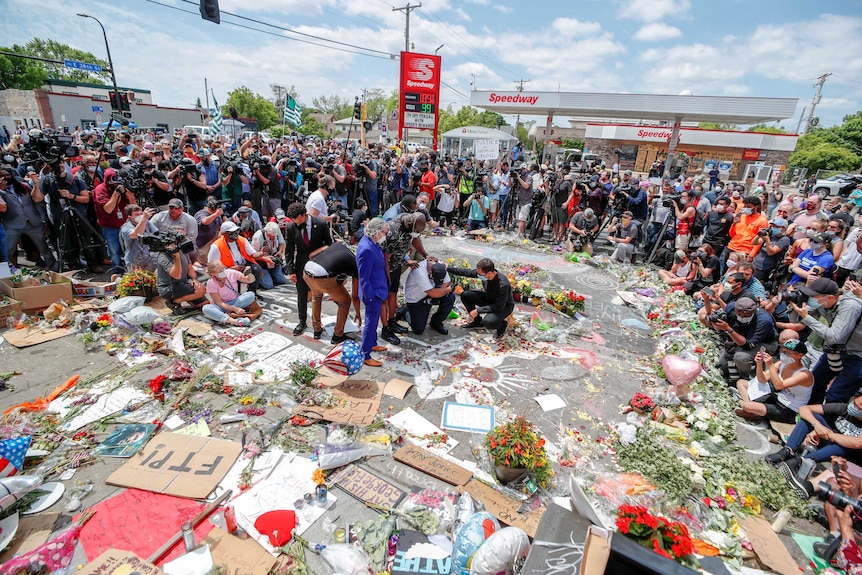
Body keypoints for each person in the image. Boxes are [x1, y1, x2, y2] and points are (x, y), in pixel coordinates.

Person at [768, 394, 862, 499]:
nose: (854, 408)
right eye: (854, 403)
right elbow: (804, 409)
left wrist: (829, 434)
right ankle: (788, 450)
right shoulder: (843, 408)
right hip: (829, 440)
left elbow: (857, 443)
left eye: (859, 408)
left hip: (845, 452)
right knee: (812, 417)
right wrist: (817, 426)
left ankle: (800, 461)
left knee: (845, 446)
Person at [790, 277, 862, 403]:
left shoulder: (851, 306)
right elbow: (797, 320)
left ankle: (824, 421)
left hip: (856, 356)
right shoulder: (825, 302)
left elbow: (834, 337)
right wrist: (796, 305)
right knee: (815, 382)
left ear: (829, 297)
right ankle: (807, 415)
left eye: (813, 296)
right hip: (836, 351)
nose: (811, 299)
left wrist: (806, 317)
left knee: (835, 396)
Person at [734, 338, 813, 424]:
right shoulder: (781, 364)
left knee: (748, 406)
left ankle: (750, 408)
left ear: (800, 355)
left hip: (790, 410)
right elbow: (762, 380)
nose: (783, 355)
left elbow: (779, 386)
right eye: (782, 351)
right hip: (778, 398)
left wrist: (771, 366)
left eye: (787, 353)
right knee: (741, 383)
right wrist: (759, 364)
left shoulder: (804, 375)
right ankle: (751, 408)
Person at [283, 202, 332, 335]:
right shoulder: (291, 227)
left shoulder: (320, 224)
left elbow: (329, 244)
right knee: (302, 295)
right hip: (301, 265)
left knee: (317, 295)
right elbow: (289, 250)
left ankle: (317, 324)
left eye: (299, 221)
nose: (297, 225)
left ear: (305, 215)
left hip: (318, 264)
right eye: (295, 222)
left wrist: (315, 254)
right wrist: (291, 271)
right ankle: (302, 321)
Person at [304, 242, 362, 344]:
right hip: (323, 277)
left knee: (317, 297)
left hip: (307, 270)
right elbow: (355, 296)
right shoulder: (355, 264)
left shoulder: (337, 245)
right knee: (345, 301)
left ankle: (317, 330)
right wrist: (358, 313)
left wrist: (323, 249)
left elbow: (311, 256)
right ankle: (337, 335)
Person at [710, 296, 779, 383]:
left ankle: (745, 378)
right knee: (723, 364)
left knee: (740, 357)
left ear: (754, 311)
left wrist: (728, 329)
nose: (742, 316)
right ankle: (735, 374)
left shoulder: (763, 320)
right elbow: (719, 329)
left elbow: (748, 345)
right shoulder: (731, 308)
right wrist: (716, 323)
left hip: (765, 342)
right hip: (741, 337)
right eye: (739, 314)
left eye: (746, 315)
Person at [0, 168, 56, 270]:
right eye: (2, 176)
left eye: (8, 175)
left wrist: (43, 220)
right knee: (8, 250)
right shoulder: (1, 191)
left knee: (44, 247)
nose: (6, 178)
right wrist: (1, 188)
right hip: (12, 225)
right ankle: (5, 272)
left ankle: (54, 267)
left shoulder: (23, 186)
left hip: (33, 222)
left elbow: (36, 203)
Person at [447, 258, 515, 338]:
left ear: (489, 273)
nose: (478, 275)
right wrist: (447, 268)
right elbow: (466, 272)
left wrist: (478, 310)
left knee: (488, 322)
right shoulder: (484, 274)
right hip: (489, 298)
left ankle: (502, 325)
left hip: (504, 306)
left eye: (480, 274)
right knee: (466, 295)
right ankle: (477, 322)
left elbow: (499, 306)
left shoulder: (503, 285)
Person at [356, 218, 390, 367]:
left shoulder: (372, 243)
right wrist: (370, 296)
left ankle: (373, 343)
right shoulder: (366, 249)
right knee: (371, 322)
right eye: (384, 233)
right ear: (376, 232)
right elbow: (363, 277)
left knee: (374, 321)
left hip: (378, 289)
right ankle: (365, 353)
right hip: (372, 293)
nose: (385, 235)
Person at [207, 221, 269, 292]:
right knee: (228, 277)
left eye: (236, 230)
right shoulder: (216, 246)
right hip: (226, 270)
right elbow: (211, 266)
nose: (235, 233)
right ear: (224, 234)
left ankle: (252, 292)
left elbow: (253, 255)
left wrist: (262, 253)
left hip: (242, 266)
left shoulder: (242, 240)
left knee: (256, 269)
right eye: (232, 232)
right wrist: (229, 269)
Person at [93, 168, 134, 272]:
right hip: (109, 226)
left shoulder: (124, 187)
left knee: (130, 249)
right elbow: (108, 208)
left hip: (125, 224)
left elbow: (134, 208)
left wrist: (131, 197)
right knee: (114, 252)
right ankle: (118, 271)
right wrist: (116, 193)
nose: (117, 184)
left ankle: (131, 270)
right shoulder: (100, 189)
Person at [401, 260, 455, 335]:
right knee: (418, 330)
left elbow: (446, 282)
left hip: (430, 293)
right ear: (430, 273)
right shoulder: (419, 272)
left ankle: (436, 322)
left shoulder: (440, 267)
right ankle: (406, 312)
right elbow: (433, 293)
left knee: (450, 297)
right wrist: (446, 290)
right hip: (416, 299)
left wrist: (442, 291)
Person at [155, 242, 207, 314]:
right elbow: (177, 275)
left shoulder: (183, 250)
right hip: (168, 288)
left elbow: (190, 269)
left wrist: (194, 280)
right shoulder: (163, 256)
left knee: (205, 304)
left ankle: (181, 299)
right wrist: (176, 256)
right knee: (201, 290)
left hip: (182, 284)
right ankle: (174, 302)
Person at [202, 260, 255, 327]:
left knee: (251, 295)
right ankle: (235, 321)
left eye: (223, 269)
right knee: (206, 308)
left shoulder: (231, 273)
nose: (223, 272)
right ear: (212, 274)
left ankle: (222, 315)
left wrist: (249, 273)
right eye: (220, 271)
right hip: (221, 306)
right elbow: (219, 303)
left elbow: (249, 280)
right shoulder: (211, 283)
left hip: (235, 301)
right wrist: (235, 309)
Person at [120, 204, 158, 270]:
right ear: (130, 217)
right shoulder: (125, 228)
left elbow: (157, 234)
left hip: (149, 259)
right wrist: (144, 218)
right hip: (135, 262)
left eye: (141, 214)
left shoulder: (147, 223)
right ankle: (117, 279)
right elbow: (137, 233)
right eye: (137, 214)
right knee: (136, 280)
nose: (140, 216)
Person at [251, 222, 287, 288]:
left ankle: (271, 275)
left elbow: (282, 243)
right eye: (272, 235)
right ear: (267, 232)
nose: (274, 237)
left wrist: (280, 251)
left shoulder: (276, 230)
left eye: (275, 235)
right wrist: (264, 258)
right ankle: (259, 277)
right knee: (268, 285)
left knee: (282, 281)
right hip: (262, 263)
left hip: (273, 261)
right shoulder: (258, 237)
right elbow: (253, 256)